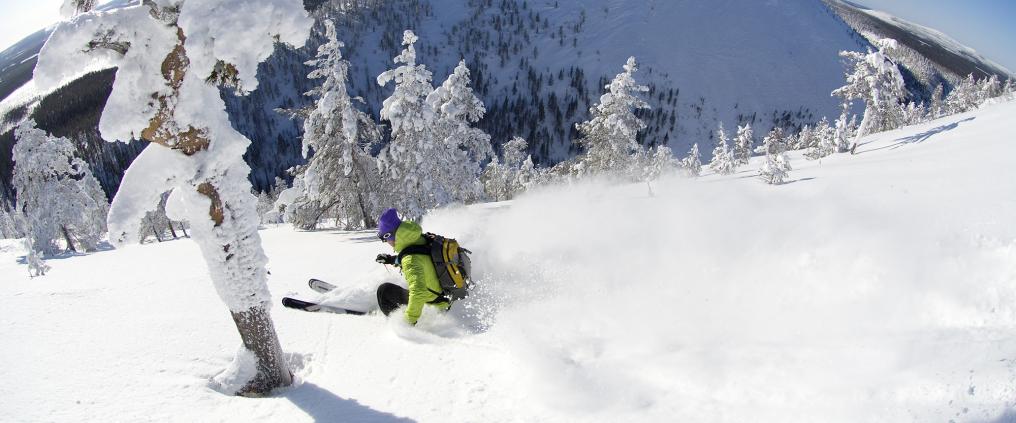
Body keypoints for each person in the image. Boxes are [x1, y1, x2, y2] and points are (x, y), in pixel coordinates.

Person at [374, 208, 450, 325]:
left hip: (434, 304)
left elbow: (419, 292)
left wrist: (408, 322)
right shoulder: (420, 238)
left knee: (384, 291)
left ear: (391, 235)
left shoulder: (409, 259)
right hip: (445, 295)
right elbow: (420, 254)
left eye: (385, 239)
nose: (386, 242)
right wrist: (390, 259)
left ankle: (397, 320)